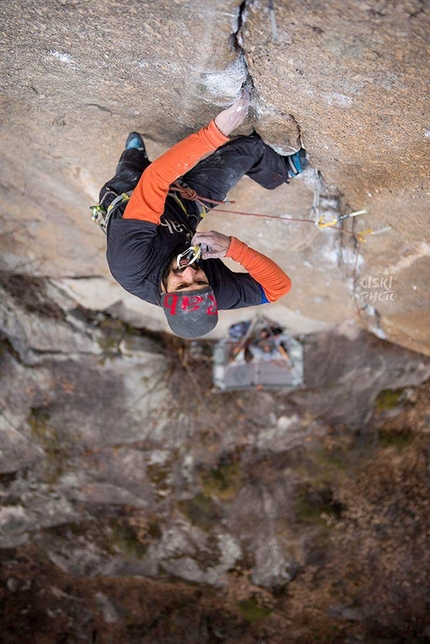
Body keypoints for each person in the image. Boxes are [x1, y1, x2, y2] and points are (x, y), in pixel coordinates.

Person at [95, 91, 307, 338]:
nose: (190, 273)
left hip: (128, 194)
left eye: (182, 284)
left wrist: (215, 132)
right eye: (199, 282)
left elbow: (155, 179)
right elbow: (278, 288)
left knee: (135, 167)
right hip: (184, 213)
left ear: (164, 295)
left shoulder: (130, 262)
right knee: (249, 148)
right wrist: (232, 248)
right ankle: (280, 170)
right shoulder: (211, 293)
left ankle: (133, 154)